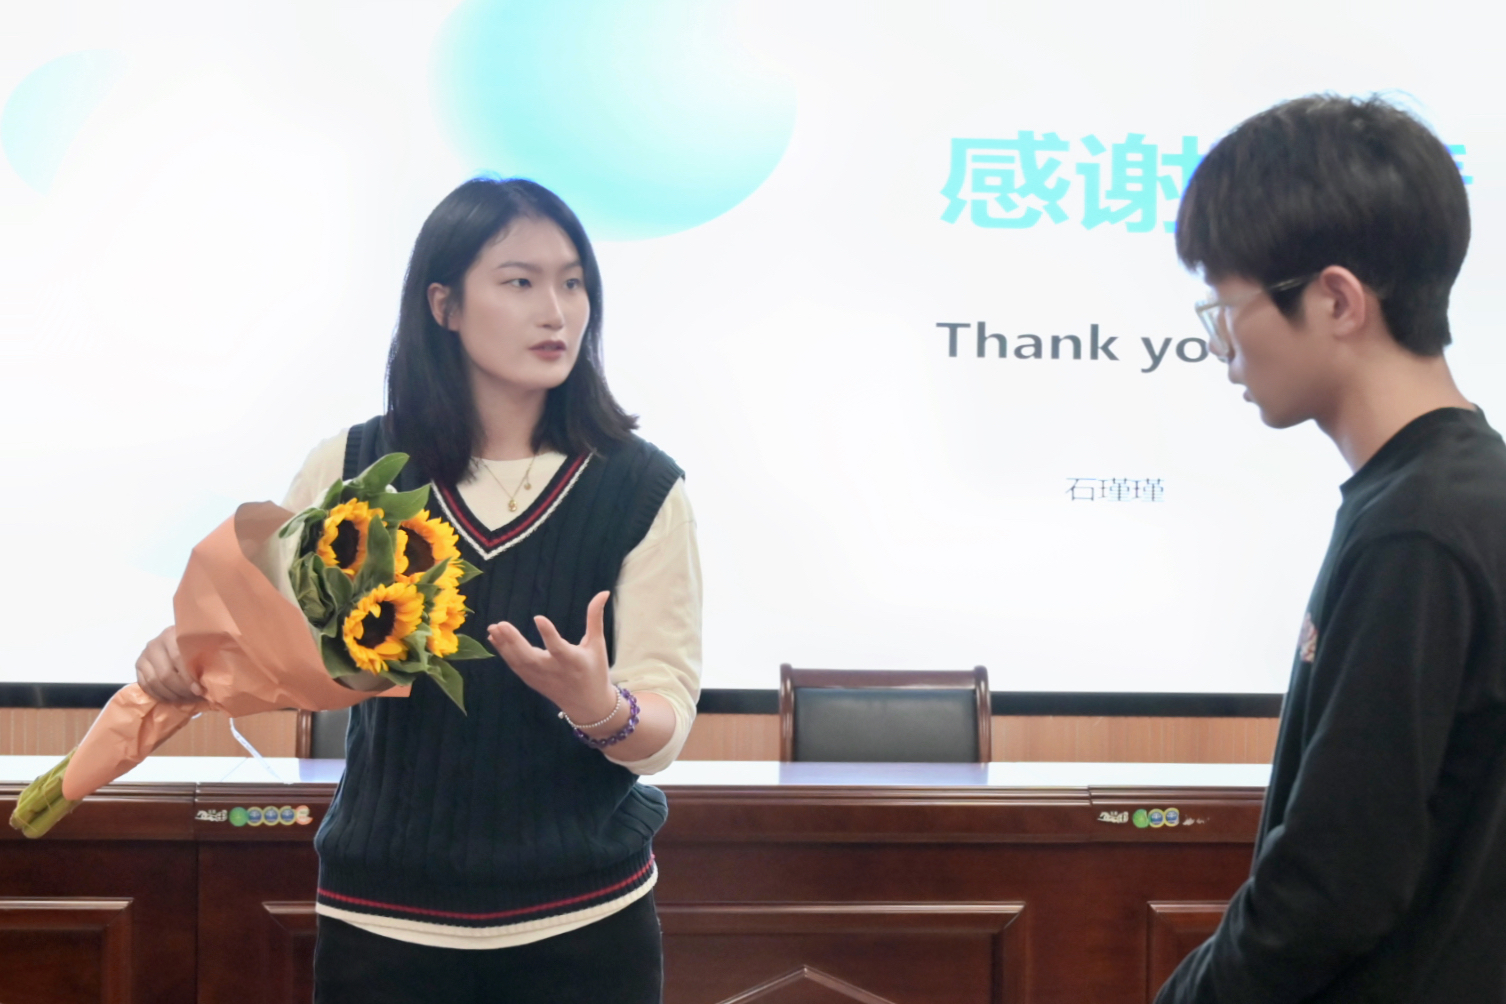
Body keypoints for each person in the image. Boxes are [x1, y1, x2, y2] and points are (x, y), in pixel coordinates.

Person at [135, 177, 701, 1003]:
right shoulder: (350, 466)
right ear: (444, 305)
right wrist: (181, 654)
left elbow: (664, 726)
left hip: (584, 926)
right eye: (521, 281)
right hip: (384, 924)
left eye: (574, 282)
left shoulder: (642, 488)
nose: (557, 312)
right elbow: (256, 639)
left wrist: (598, 706)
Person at [1153, 95, 1506, 1002]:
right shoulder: (1458, 489)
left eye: (1227, 307)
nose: (1221, 347)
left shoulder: (1417, 527)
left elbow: (1334, 886)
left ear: (1337, 300)